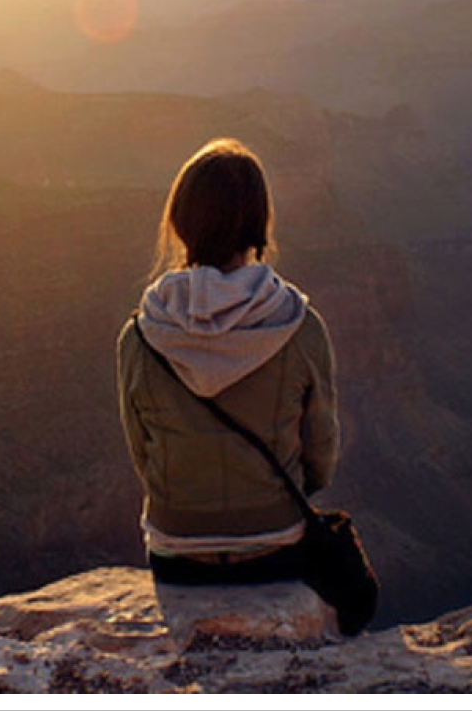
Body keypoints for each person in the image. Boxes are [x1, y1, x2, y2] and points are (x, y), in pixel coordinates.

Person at [116, 138, 340, 586]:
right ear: (258, 223)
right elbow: (321, 452)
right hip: (275, 544)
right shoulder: (299, 326)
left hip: (176, 551)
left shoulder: (141, 335)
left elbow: (141, 450)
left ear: (181, 222)